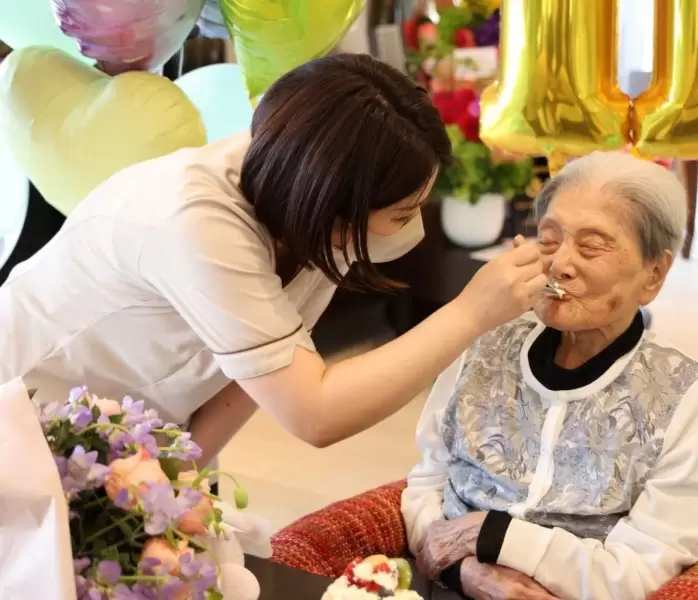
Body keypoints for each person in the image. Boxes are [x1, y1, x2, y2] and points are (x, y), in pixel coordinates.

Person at [0, 54, 548, 467]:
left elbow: (255, 377)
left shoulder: (313, 208)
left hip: (131, 433)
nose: (412, 226)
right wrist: (470, 313)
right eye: (402, 214)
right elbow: (314, 412)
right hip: (26, 413)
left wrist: (176, 483)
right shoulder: (194, 221)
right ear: (334, 208)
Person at [401, 152, 698, 600]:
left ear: (654, 274)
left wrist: (498, 535)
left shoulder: (685, 394)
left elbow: (644, 569)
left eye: (592, 246)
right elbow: (427, 480)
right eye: (549, 240)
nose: (559, 264)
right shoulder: (483, 342)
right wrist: (465, 572)